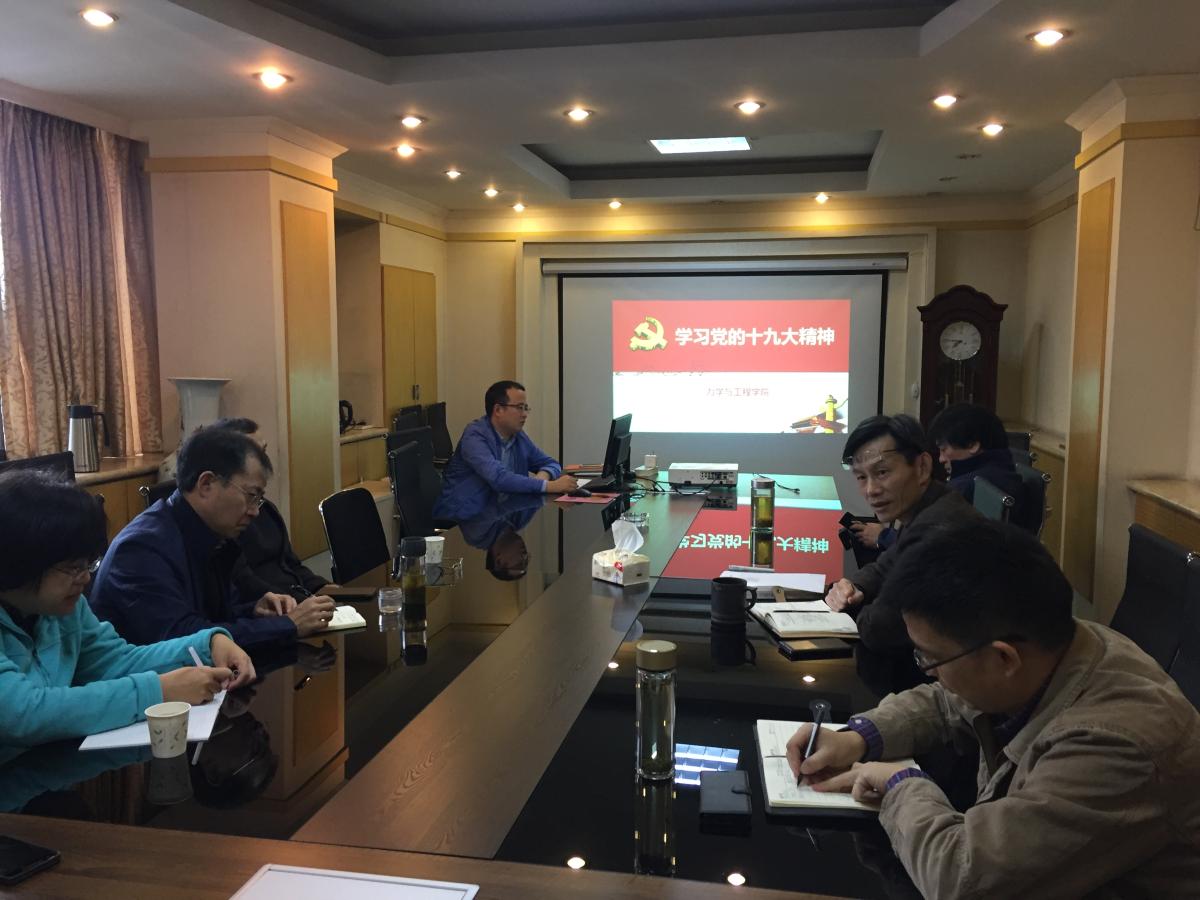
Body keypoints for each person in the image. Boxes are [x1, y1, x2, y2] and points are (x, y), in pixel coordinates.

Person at [788, 520, 1200, 898]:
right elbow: (948, 701)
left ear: (1003, 659)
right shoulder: (1055, 644)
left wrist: (900, 785)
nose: (928, 672)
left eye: (930, 658)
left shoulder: (1114, 746)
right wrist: (859, 737)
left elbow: (962, 880)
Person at [0, 470, 254, 764]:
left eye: (88, 563)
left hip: (47, 767)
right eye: (72, 567)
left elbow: (115, 661)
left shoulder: (62, 607)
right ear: (19, 561)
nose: (85, 578)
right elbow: (24, 714)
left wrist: (207, 645)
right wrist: (159, 691)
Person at [90, 426, 334, 647]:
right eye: (251, 496)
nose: (255, 511)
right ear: (206, 484)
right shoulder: (141, 549)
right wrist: (288, 625)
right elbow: (184, 638)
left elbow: (217, 616)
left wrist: (254, 610)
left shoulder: (211, 535)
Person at [826, 414, 978, 694]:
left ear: (922, 467)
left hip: (948, 687)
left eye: (882, 473)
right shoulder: (929, 507)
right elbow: (886, 564)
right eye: (861, 477)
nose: (871, 490)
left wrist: (849, 605)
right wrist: (853, 586)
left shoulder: (938, 529)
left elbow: (880, 628)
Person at [209, 418, 338, 611]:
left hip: (299, 602)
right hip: (277, 609)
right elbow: (246, 584)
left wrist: (323, 588)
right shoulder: (227, 521)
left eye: (264, 451)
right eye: (255, 454)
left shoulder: (266, 509)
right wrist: (301, 604)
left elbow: (292, 564)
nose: (264, 462)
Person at [433, 380, 577, 521]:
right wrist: (549, 486)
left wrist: (542, 477)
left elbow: (550, 463)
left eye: (526, 408)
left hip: (502, 515)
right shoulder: (475, 436)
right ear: (498, 410)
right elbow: (499, 479)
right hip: (464, 518)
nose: (524, 414)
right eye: (519, 407)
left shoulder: (517, 436)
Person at [926, 402, 1022, 503]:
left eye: (944, 449)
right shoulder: (1004, 471)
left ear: (972, 445)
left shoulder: (962, 489)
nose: (941, 459)